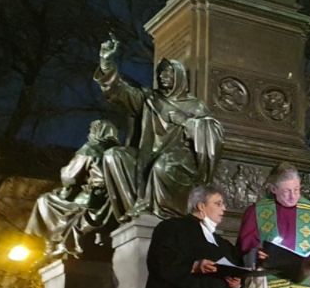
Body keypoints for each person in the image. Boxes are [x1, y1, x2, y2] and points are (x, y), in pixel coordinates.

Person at [95, 36, 224, 220]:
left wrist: (187, 122)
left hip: (181, 159)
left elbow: (213, 133)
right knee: (113, 156)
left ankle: (160, 216)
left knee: (162, 167)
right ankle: (133, 213)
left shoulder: (195, 106)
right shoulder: (149, 99)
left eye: (168, 73)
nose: (162, 77)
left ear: (179, 76)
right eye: (160, 73)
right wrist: (106, 62)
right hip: (147, 155)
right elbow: (120, 91)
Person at [24, 119, 121, 258]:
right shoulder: (117, 150)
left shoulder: (91, 149)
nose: (90, 134)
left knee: (44, 200)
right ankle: (53, 242)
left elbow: (70, 177)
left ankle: (50, 242)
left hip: (92, 196)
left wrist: (65, 172)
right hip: (110, 197)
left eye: (92, 130)